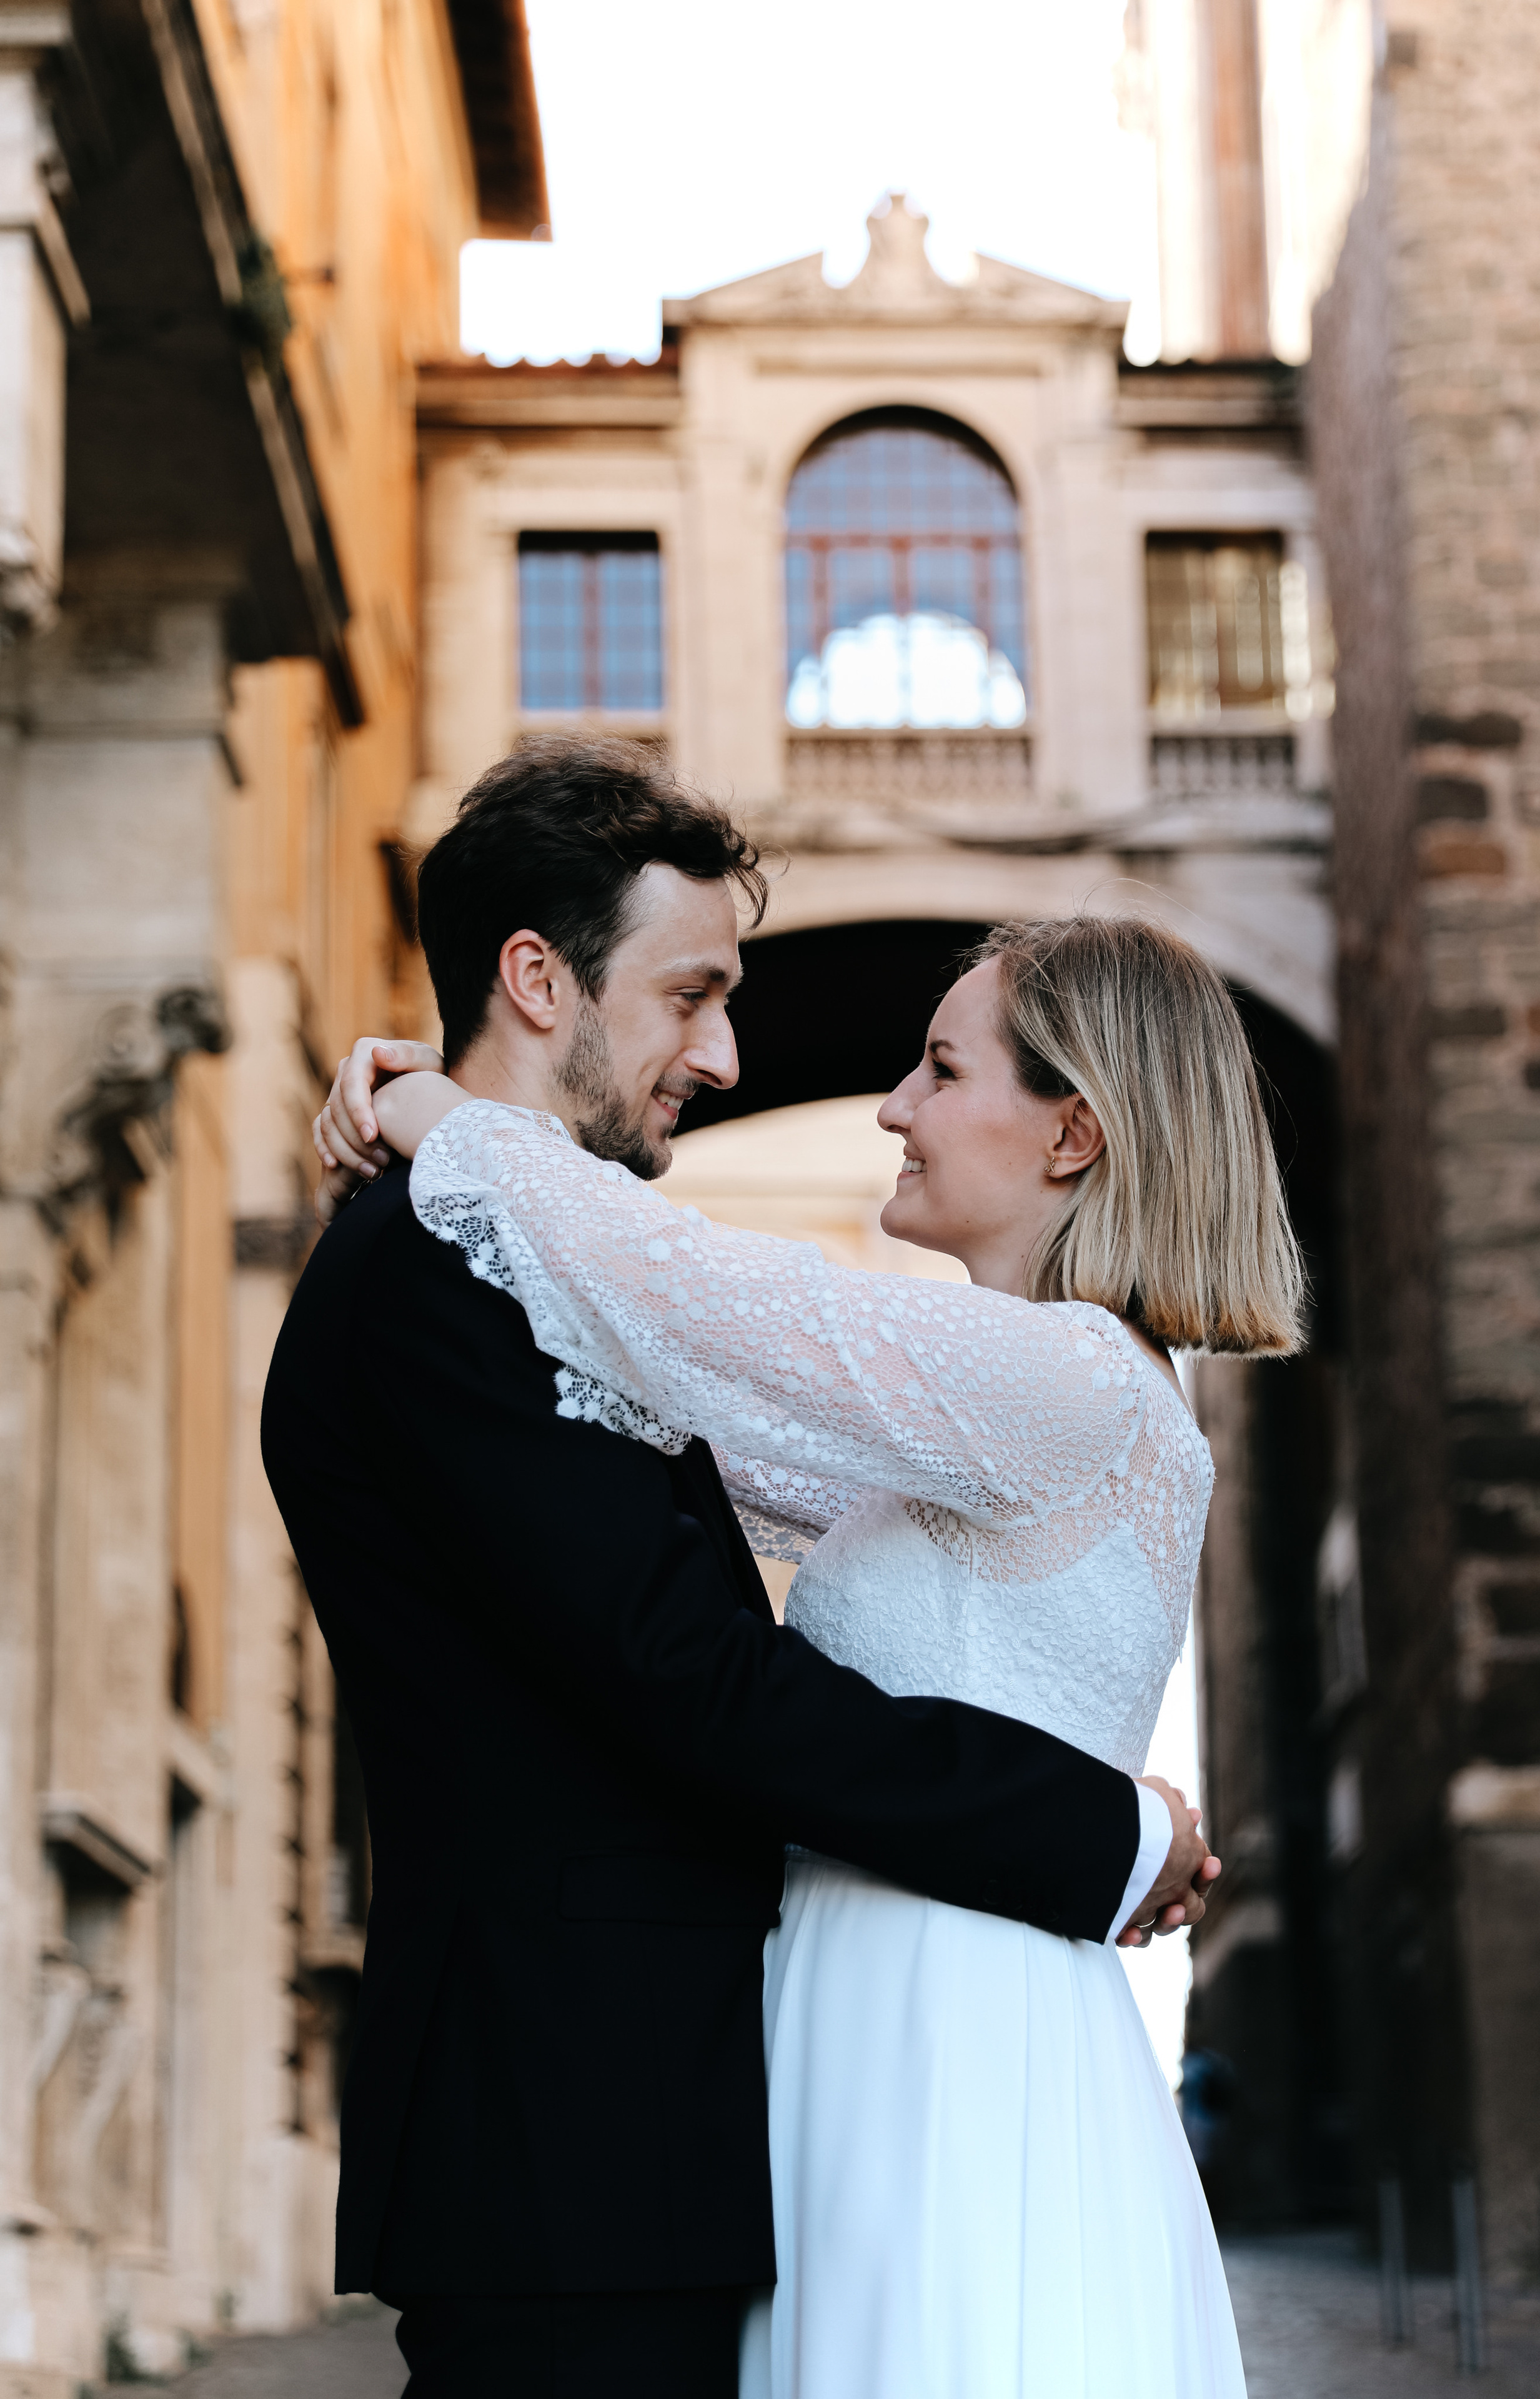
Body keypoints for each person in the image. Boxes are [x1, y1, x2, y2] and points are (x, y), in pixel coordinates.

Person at [266, 738, 1213, 2399]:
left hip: (763, 2098)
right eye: (691, 993)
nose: (728, 1053)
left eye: (938, 1071)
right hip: (565, 2125)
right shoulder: (435, 1271)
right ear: (539, 980)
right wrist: (1107, 1828)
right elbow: (689, 1675)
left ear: (1078, 1140)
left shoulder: (1036, 1375)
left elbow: (723, 1344)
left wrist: (443, 1116)